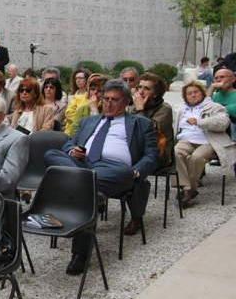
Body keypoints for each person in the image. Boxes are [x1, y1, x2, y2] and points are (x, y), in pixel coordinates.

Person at [44, 79, 158, 275]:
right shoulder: (88, 121)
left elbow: (152, 155)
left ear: (126, 102)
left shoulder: (141, 123)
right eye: (106, 99)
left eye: (114, 99)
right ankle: (91, 191)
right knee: (51, 155)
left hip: (115, 170)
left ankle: (80, 255)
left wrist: (136, 171)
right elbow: (69, 143)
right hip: (83, 164)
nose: (108, 103)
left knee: (110, 177)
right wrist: (72, 151)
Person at [174, 81, 235, 207]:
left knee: (196, 157)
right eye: (189, 93)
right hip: (186, 140)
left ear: (202, 93)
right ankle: (187, 188)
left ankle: (189, 190)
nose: (193, 95)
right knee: (176, 152)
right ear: (185, 97)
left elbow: (223, 123)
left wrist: (200, 122)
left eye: (196, 92)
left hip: (208, 141)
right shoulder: (181, 109)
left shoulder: (214, 107)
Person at [130, 73, 174, 168]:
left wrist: (140, 110)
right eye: (139, 87)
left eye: (146, 89)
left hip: (157, 152)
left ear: (155, 94)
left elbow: (149, 131)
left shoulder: (165, 109)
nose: (141, 92)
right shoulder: (133, 107)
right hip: (136, 149)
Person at [64, 72, 108, 137]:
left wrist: (94, 108)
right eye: (92, 89)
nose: (95, 92)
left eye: (99, 90)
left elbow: (99, 131)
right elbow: (74, 132)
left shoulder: (109, 109)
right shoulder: (82, 109)